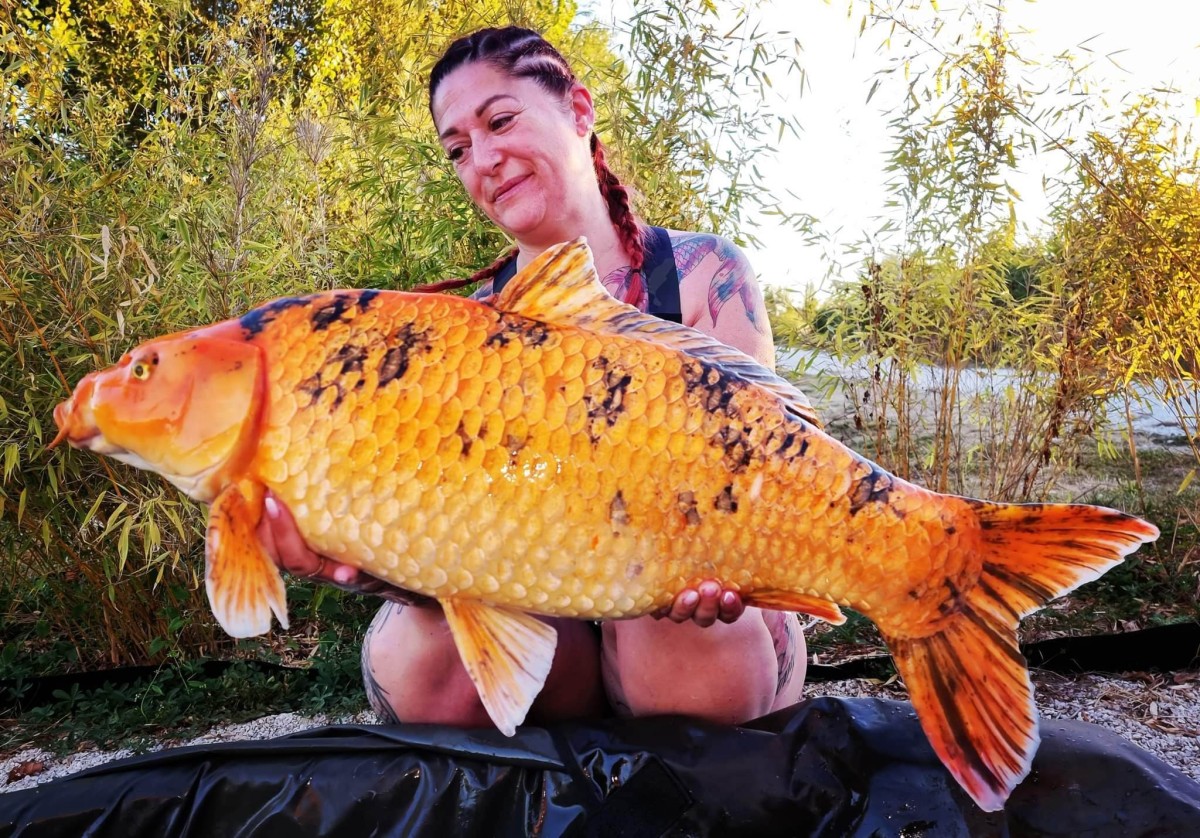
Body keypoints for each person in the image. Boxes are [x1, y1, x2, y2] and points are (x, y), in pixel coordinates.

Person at [258, 26, 808, 729]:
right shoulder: (460, 336)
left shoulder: (705, 275)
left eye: (501, 120)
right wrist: (370, 556)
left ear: (579, 110)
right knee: (417, 651)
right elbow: (456, 537)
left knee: (673, 625)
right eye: (457, 148)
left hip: (703, 616)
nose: (484, 159)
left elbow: (771, 476)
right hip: (560, 632)